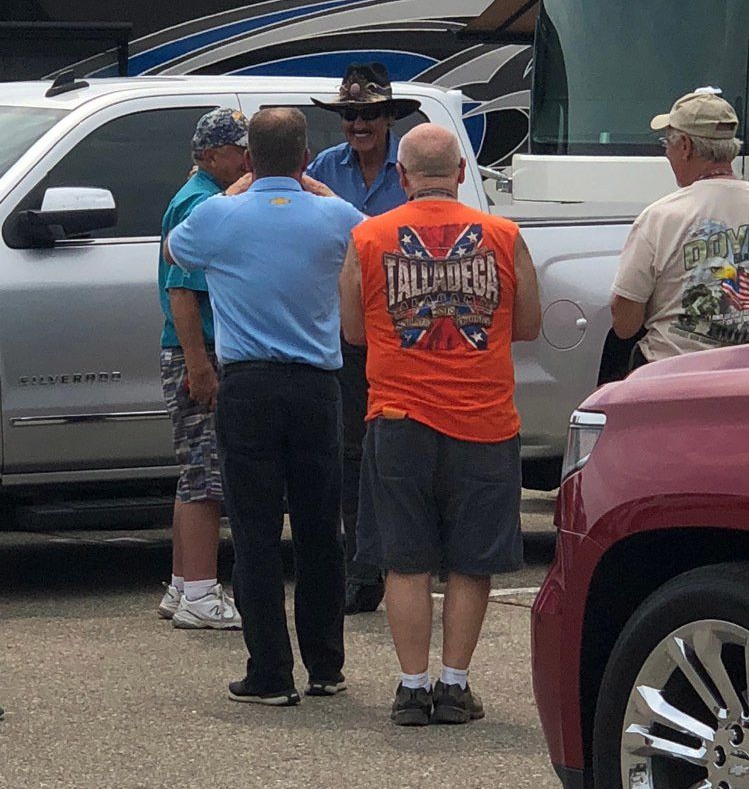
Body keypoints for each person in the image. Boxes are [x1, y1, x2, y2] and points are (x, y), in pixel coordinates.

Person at [340, 122, 541, 726]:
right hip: (484, 418)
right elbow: (528, 324)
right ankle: (454, 686)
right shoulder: (505, 236)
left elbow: (351, 331)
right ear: (460, 173)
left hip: (398, 420)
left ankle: (411, 687)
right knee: (471, 560)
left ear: (402, 177)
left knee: (405, 559)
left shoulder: (368, 236)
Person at [164, 107, 363, 706]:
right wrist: (319, 189)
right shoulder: (333, 214)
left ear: (249, 157)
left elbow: (178, 249)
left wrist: (237, 191)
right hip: (315, 385)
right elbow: (373, 240)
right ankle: (326, 665)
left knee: (253, 530)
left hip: (247, 383)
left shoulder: (219, 215)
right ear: (306, 157)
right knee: (319, 529)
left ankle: (269, 672)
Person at [308, 62, 420, 615]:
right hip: (349, 330)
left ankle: (411, 558)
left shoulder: (415, 169)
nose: (358, 123)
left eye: (369, 113)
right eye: (350, 114)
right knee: (352, 451)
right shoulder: (324, 168)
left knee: (409, 449)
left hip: (409, 330)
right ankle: (360, 569)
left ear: (387, 117)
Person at [157, 107, 250, 630]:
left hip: (196, 352)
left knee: (194, 469)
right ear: (211, 154)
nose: (247, 159)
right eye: (240, 149)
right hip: (200, 352)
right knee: (208, 477)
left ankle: (180, 583)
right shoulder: (200, 204)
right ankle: (200, 592)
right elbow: (182, 291)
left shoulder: (197, 198)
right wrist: (199, 364)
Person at [611, 89, 749, 367]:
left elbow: (624, 323)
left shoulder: (661, 217)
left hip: (672, 377)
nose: (667, 153)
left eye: (667, 143)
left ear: (685, 146)